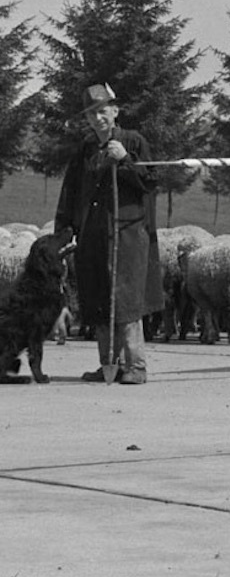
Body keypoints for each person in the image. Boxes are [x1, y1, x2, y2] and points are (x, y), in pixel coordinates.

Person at [55, 83, 162, 385]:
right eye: (91, 114)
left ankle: (136, 366)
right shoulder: (86, 149)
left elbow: (150, 183)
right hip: (94, 235)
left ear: (115, 111)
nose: (97, 118)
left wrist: (126, 160)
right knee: (99, 298)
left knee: (126, 301)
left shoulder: (134, 141)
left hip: (126, 234)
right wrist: (65, 230)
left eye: (102, 111)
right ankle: (108, 365)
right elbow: (71, 192)